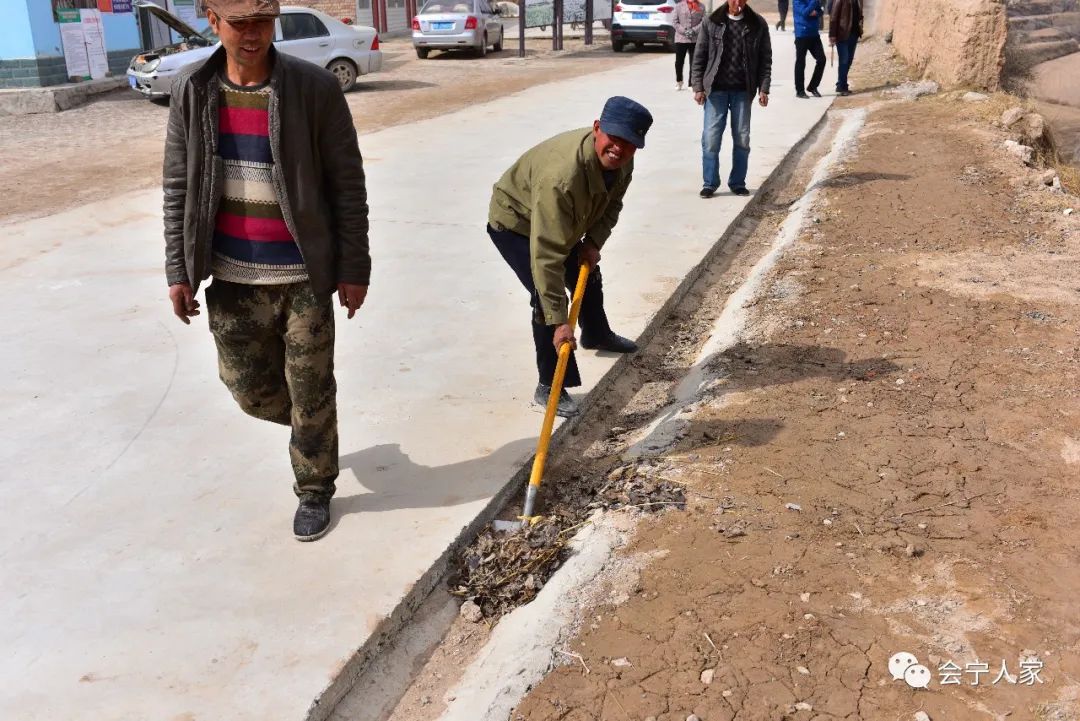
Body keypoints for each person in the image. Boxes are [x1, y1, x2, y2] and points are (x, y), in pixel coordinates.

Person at [163, 0, 371, 542]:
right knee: (249, 390)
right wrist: (177, 269)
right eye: (240, 24)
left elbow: (348, 186)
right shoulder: (192, 89)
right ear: (213, 21)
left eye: (262, 22)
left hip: (304, 275)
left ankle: (314, 486)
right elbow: (178, 188)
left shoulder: (313, 89)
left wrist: (354, 267)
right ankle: (313, 427)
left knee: (310, 386)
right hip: (232, 276)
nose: (252, 35)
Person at [487, 97, 652, 417]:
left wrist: (593, 242)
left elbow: (613, 204)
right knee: (544, 298)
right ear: (596, 129)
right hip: (517, 222)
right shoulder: (561, 178)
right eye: (613, 139)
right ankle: (550, 385)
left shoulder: (623, 161)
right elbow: (547, 253)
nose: (619, 148)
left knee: (585, 271)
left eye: (629, 143)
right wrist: (561, 322)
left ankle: (596, 333)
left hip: (560, 221)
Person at [690, 0, 772, 198]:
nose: (737, 2)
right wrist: (698, 86)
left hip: (743, 91)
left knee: (742, 138)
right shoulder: (711, 22)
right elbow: (699, 55)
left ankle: (737, 182)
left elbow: (765, 58)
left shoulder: (757, 24)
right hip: (715, 91)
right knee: (711, 139)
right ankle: (709, 183)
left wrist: (764, 88)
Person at [828, 0, 862, 96]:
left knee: (849, 60)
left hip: (854, 34)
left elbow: (858, 14)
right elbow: (833, 17)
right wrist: (832, 35)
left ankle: (841, 83)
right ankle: (842, 87)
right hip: (843, 34)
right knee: (844, 60)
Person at [793, 0, 826, 98]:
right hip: (802, 34)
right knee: (801, 62)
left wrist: (816, 12)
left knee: (822, 60)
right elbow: (805, 13)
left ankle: (813, 86)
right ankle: (800, 91)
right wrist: (814, 3)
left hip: (814, 34)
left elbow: (820, 11)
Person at [673, 0, 705, 91]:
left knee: (694, 62)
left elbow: (703, 22)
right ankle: (679, 81)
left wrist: (694, 30)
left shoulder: (701, 6)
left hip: (695, 39)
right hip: (681, 38)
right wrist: (684, 31)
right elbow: (675, 22)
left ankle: (691, 83)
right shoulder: (679, 6)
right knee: (679, 62)